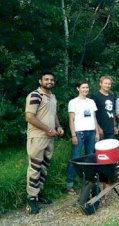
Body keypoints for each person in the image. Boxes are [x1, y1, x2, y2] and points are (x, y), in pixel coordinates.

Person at [25, 70, 64, 214]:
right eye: (46, 79)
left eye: (51, 79)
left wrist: (58, 126)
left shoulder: (52, 96)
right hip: (37, 137)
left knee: (44, 167)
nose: (49, 81)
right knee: (35, 167)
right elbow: (29, 117)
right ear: (40, 81)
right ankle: (31, 199)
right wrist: (48, 129)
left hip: (50, 137)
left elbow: (53, 114)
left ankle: (38, 193)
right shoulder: (35, 95)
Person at [66, 81, 99, 194]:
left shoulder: (91, 102)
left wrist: (97, 133)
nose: (85, 89)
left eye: (87, 87)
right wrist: (73, 135)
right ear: (78, 88)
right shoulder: (73, 102)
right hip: (79, 133)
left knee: (89, 158)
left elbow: (94, 118)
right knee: (74, 158)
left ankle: (88, 181)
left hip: (91, 133)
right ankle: (69, 184)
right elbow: (71, 120)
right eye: (83, 87)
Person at [92, 75, 118, 139]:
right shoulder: (95, 96)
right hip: (100, 130)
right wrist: (98, 129)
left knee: (109, 148)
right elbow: (92, 115)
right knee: (99, 148)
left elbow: (112, 111)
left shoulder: (112, 96)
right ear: (100, 84)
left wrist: (114, 126)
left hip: (110, 129)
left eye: (109, 84)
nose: (107, 85)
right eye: (105, 83)